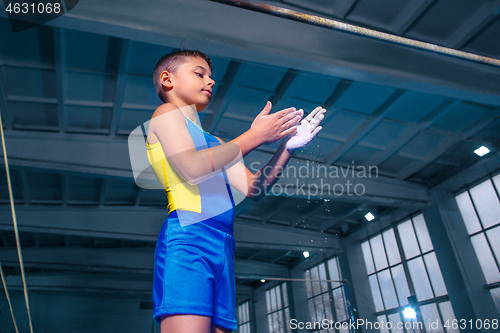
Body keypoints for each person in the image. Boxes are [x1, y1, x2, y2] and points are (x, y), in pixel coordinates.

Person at [145, 50, 326, 333]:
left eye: (211, 76)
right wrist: (255, 136)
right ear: (168, 80)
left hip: (224, 244)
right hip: (188, 238)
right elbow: (192, 168)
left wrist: (286, 149)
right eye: (199, 73)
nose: (211, 81)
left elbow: (255, 187)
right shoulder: (165, 114)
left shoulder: (215, 141)